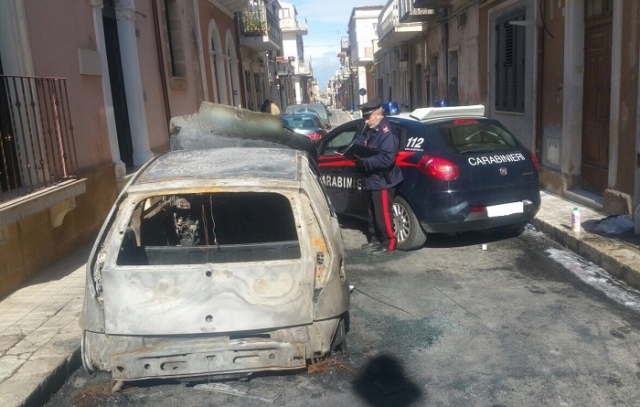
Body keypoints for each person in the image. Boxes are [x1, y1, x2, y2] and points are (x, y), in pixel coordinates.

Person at [351, 98, 403, 254]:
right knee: (372, 212)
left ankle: (389, 242)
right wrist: (353, 147)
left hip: (383, 179)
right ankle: (375, 239)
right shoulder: (370, 128)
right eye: (364, 118)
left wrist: (364, 162)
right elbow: (361, 140)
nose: (366, 121)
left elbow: (387, 159)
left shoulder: (387, 133)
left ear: (378, 115)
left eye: (368, 117)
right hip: (371, 179)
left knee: (383, 214)